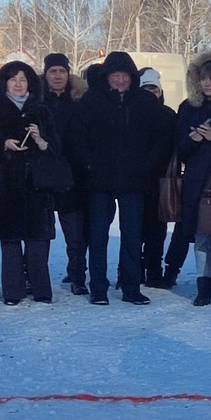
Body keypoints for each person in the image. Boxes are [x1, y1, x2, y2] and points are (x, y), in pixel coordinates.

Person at [73, 51, 168, 306]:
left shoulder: (144, 102)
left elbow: (161, 137)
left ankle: (131, 287)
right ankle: (99, 288)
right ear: (107, 77)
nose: (120, 81)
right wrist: (89, 164)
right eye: (115, 76)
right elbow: (77, 137)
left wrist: (147, 164)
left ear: (132, 77)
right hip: (99, 181)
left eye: (125, 76)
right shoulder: (92, 100)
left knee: (132, 236)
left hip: (134, 181)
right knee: (98, 236)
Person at [0, 61, 63, 306]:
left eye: (23, 79)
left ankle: (41, 290)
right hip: (5, 187)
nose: (18, 84)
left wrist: (41, 140)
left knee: (38, 241)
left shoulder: (42, 111)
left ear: (30, 84)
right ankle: (13, 291)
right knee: (11, 242)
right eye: (13, 79)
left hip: (37, 187)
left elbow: (56, 149)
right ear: (4, 83)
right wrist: (2, 144)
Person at [165, 52, 211, 305]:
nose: (208, 83)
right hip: (196, 180)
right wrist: (193, 140)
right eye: (203, 79)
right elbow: (179, 150)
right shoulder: (187, 108)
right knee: (201, 235)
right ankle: (203, 285)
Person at [38, 54, 89, 295]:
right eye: (53, 71)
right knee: (40, 231)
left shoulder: (80, 102)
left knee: (75, 233)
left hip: (73, 174)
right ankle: (35, 276)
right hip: (43, 173)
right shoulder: (36, 102)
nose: (57, 76)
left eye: (62, 71)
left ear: (68, 75)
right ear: (45, 74)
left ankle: (78, 275)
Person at [137, 68, 178, 291]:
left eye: (154, 88)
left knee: (156, 230)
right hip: (137, 182)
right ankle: (138, 269)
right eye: (146, 88)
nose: (151, 93)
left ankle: (152, 269)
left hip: (161, 182)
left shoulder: (168, 115)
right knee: (137, 230)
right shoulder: (132, 114)